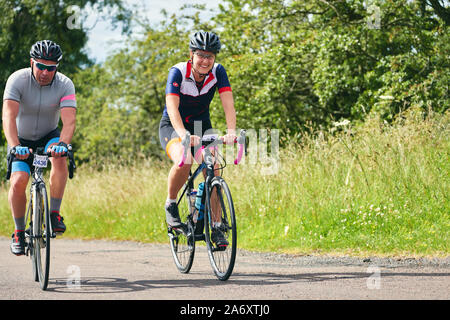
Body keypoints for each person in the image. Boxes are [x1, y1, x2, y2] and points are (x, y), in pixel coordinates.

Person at [159, 31, 236, 247]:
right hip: (174, 127)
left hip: (202, 126)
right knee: (184, 159)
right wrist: (183, 134)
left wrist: (231, 131)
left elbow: (228, 104)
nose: (205, 61)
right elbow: (172, 108)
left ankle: (217, 226)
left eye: (210, 56)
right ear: (191, 54)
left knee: (214, 167)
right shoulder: (177, 72)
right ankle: (171, 204)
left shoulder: (218, 72)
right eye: (201, 55)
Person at [2, 40, 77, 255]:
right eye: (41, 66)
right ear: (31, 63)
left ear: (57, 68)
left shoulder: (65, 84)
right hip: (21, 140)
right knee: (18, 182)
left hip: (49, 136)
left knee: (60, 157)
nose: (45, 72)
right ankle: (18, 231)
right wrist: (15, 146)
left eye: (51, 68)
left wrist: (63, 144)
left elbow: (69, 121)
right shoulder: (17, 79)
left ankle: (54, 212)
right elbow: (8, 116)